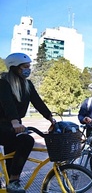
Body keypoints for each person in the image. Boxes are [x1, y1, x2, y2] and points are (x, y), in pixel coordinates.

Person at [0, 53, 55, 193]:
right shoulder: (4, 82)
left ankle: (13, 180)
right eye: (25, 67)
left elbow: (38, 102)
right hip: (4, 124)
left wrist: (51, 118)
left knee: (21, 146)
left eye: (29, 66)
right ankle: (14, 181)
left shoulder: (27, 84)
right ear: (14, 67)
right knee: (24, 140)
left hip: (14, 125)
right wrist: (14, 122)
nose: (28, 69)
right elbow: (8, 104)